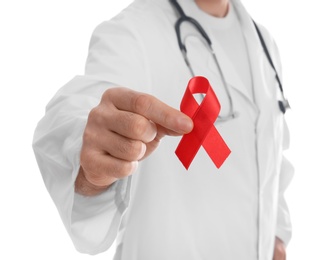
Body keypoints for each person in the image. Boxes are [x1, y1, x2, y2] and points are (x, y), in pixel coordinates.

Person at [33, 0, 294, 259]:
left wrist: (277, 236)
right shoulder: (133, 32)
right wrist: (89, 160)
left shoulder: (264, 43)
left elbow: (271, 154)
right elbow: (83, 112)